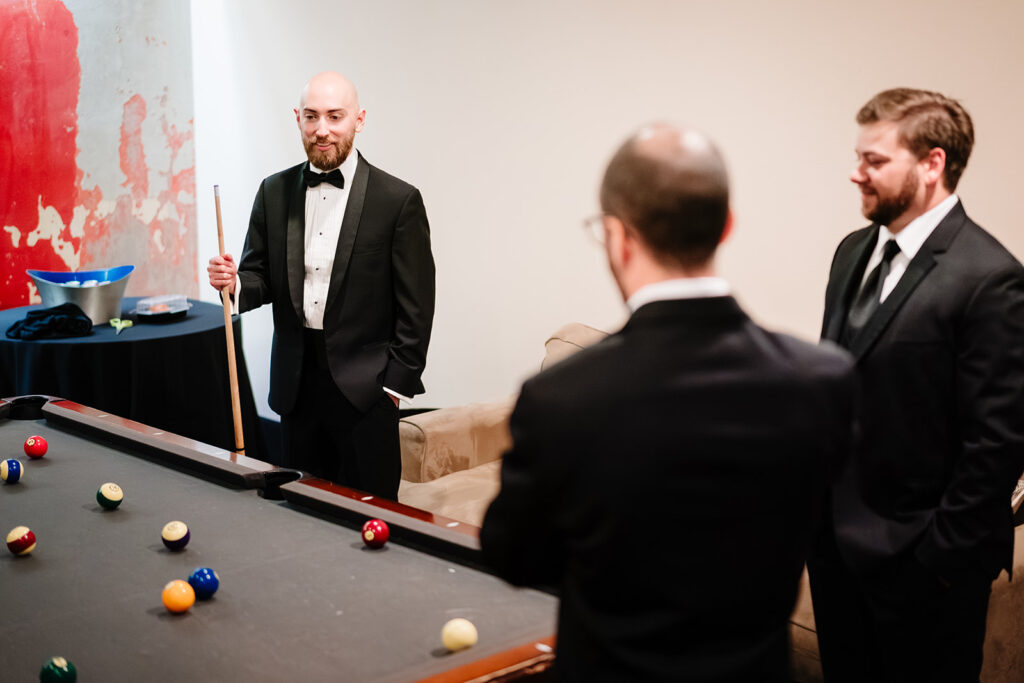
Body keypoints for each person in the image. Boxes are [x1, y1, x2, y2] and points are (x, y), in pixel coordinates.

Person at [480, 123, 856, 682]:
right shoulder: (823, 379)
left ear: (617, 236)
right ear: (726, 226)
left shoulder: (561, 397)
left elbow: (514, 556)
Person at [810, 87, 1024, 682]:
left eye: (874, 161)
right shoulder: (851, 253)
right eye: (859, 158)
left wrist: (937, 560)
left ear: (932, 163)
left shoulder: (991, 277)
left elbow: (998, 442)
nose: (856, 174)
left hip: (924, 567)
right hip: (836, 556)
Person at [207, 71, 434, 499]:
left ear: (359, 119)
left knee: (373, 514)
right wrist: (235, 281)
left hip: (367, 392)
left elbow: (417, 308)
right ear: (297, 118)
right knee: (300, 506)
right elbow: (261, 277)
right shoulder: (273, 192)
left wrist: (392, 389)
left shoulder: (398, 200)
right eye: (311, 117)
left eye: (335, 116)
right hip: (296, 385)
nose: (322, 130)